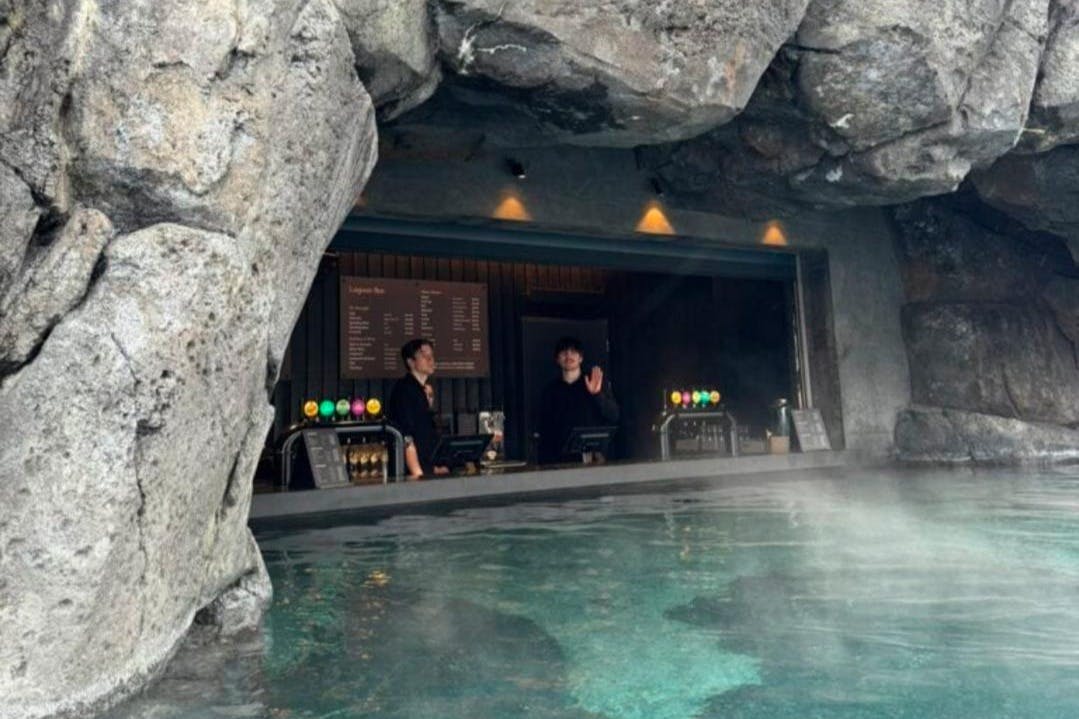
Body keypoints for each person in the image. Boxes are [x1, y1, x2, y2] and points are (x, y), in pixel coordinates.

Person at [536, 336, 620, 465]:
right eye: (564, 352)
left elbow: (614, 415)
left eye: (573, 352)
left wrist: (596, 394)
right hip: (558, 462)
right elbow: (544, 431)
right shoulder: (550, 391)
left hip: (592, 460)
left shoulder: (595, 383)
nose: (568, 355)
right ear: (557, 359)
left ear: (581, 358)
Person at [386, 338, 448, 479]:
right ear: (411, 362)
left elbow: (424, 432)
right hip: (411, 471)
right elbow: (406, 436)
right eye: (425, 356)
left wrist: (433, 467)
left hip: (426, 467)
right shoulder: (404, 389)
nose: (430, 359)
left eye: (431, 355)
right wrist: (417, 472)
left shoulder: (422, 390)